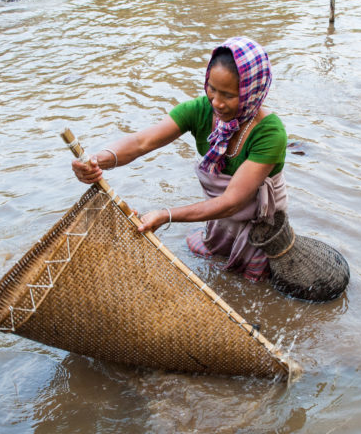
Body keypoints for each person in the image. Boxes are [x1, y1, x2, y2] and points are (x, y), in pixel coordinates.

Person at [71, 37, 288, 281]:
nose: (216, 102)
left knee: (258, 284)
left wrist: (166, 214)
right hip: (220, 221)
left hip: (260, 230)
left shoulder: (270, 132)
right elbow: (142, 142)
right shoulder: (200, 110)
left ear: (252, 91)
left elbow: (232, 201)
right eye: (212, 89)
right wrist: (99, 160)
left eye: (228, 95)